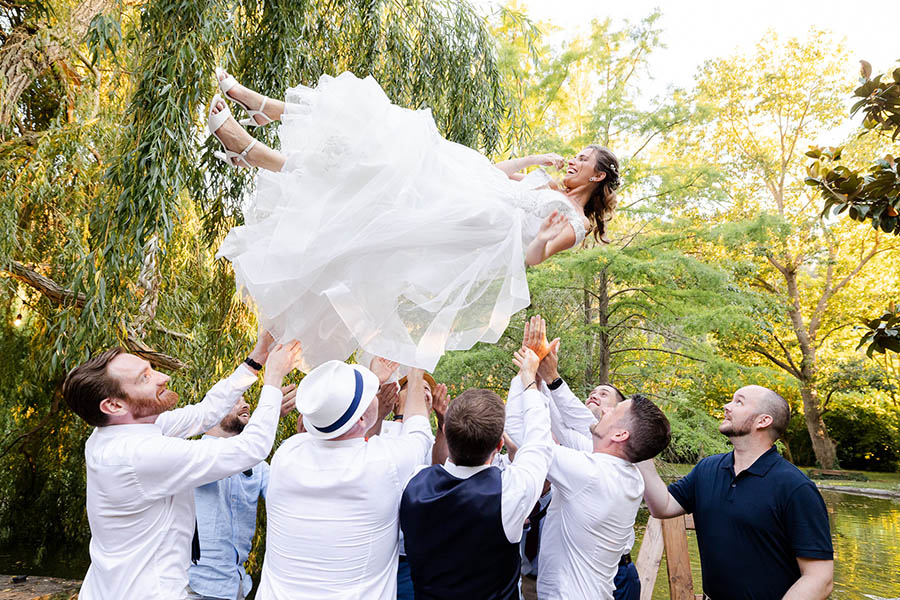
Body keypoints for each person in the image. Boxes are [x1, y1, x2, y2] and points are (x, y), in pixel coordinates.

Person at [207, 69, 620, 372]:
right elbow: (493, 173)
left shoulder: (575, 223)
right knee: (378, 147)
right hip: (468, 188)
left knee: (382, 172)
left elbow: (531, 258)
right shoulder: (548, 186)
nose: (574, 159)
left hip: (475, 219)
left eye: (584, 159)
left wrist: (544, 235)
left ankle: (258, 142)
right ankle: (264, 115)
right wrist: (532, 162)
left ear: (597, 176)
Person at [61, 332, 303, 600]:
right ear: (114, 404)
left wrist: (256, 359)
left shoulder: (118, 430)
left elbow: (205, 412)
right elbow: (251, 448)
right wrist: (272, 382)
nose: (162, 377)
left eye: (151, 369)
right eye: (145, 378)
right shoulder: (138, 455)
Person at [256, 359, 434, 599]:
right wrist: (416, 372)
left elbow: (337, 427)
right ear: (361, 419)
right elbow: (418, 431)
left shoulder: (286, 455)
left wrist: (367, 385)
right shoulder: (384, 463)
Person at [637, 385, 834, 600]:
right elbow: (662, 506)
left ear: (763, 421)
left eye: (739, 402)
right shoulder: (707, 469)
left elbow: (819, 579)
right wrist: (639, 448)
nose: (727, 407)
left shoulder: (795, 488)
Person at [506, 357, 671, 600]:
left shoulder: (590, 474)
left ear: (620, 434)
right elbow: (581, 422)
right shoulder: (630, 475)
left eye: (613, 411)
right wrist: (549, 379)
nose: (604, 411)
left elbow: (530, 442)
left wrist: (527, 378)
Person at [399, 345, 552, 600]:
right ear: (499, 445)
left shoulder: (410, 483)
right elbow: (539, 441)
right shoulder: (510, 494)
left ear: (446, 431)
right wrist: (528, 380)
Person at [513, 315, 640, 600]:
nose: (595, 399)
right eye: (591, 394)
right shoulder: (594, 444)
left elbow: (539, 442)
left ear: (621, 428)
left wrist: (530, 379)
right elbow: (560, 417)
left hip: (615, 575)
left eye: (605, 396)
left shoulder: (597, 465)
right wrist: (542, 377)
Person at [187, 385, 297, 600]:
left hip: (236, 585)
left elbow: (289, 491)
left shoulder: (257, 466)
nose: (245, 404)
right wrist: (265, 419)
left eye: (245, 400)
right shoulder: (196, 455)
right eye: (236, 400)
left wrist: (313, 432)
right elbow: (226, 460)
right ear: (211, 412)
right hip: (196, 587)